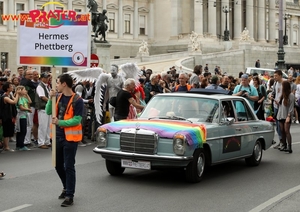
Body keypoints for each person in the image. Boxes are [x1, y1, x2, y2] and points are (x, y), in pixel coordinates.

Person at [46, 73, 84, 207]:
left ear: (64, 84)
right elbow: (48, 111)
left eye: (57, 83)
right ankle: (66, 187)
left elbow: (77, 119)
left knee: (69, 166)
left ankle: (69, 196)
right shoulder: (57, 96)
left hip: (70, 139)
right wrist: (51, 98)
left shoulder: (78, 100)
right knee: (57, 165)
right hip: (56, 137)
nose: (56, 85)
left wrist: (61, 122)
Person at [1, 82, 20, 152]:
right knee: (6, 131)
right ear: (7, 88)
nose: (12, 87)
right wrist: (18, 94)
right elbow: (14, 102)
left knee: (9, 131)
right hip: (6, 117)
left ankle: (6, 145)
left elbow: (15, 99)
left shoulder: (10, 95)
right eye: (11, 86)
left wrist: (16, 94)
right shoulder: (5, 97)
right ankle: (6, 146)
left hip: (10, 116)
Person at [276, 81, 294, 153]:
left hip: (286, 115)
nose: (281, 87)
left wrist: (289, 116)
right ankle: (284, 145)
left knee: (286, 131)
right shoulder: (282, 95)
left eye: (282, 86)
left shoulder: (291, 95)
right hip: (281, 115)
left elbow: (291, 107)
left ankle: (290, 147)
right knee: (282, 131)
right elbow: (281, 105)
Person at [35, 72, 51, 149]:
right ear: (41, 78)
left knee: (48, 126)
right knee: (43, 126)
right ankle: (41, 142)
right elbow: (42, 97)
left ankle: (47, 141)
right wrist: (51, 102)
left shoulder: (47, 86)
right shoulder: (40, 86)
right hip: (42, 108)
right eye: (45, 77)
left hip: (47, 108)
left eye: (47, 77)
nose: (47, 79)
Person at [269, 70, 284, 149]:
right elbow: (274, 92)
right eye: (274, 76)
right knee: (277, 125)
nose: (274, 77)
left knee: (282, 125)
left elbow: (287, 94)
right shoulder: (275, 83)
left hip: (282, 106)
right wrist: (271, 96)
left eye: (276, 76)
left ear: (280, 75)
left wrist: (281, 101)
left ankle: (284, 142)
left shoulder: (284, 83)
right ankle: (281, 141)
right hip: (275, 105)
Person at [15, 85, 32, 151]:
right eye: (24, 90)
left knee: (21, 131)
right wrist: (28, 109)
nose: (26, 91)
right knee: (22, 131)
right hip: (21, 116)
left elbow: (30, 101)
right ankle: (21, 145)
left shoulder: (24, 98)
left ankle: (19, 145)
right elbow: (21, 107)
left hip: (24, 116)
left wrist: (27, 94)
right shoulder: (19, 98)